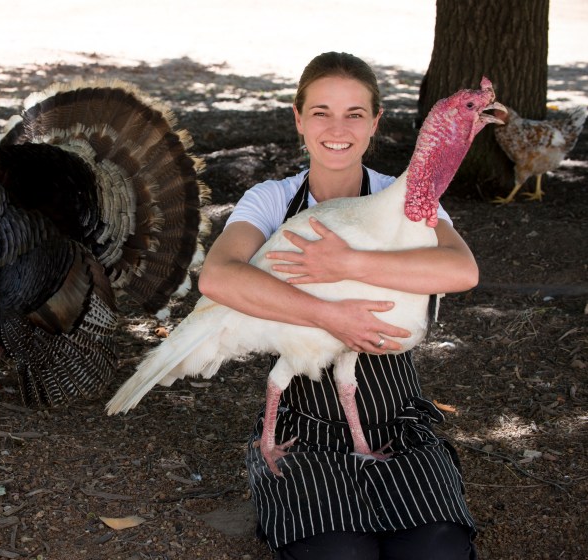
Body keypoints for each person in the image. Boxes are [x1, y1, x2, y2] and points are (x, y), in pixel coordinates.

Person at [197, 52, 478, 559]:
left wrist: (345, 262)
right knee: (339, 553)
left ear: (375, 123)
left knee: (435, 550)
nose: (337, 128)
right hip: (303, 426)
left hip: (394, 416)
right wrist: (329, 314)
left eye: (354, 114)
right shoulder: (273, 200)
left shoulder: (407, 195)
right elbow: (217, 277)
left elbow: (461, 270)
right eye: (321, 111)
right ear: (298, 119)